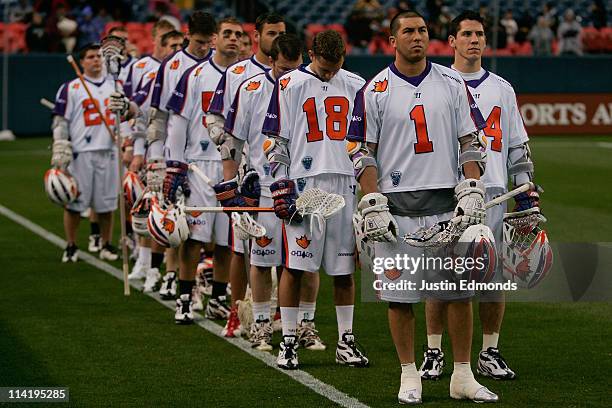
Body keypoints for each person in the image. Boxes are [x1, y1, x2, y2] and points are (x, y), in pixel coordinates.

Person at [347, 11, 497, 404]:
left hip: (447, 205)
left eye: (423, 30)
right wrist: (372, 201)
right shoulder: (375, 88)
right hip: (396, 211)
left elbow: (471, 141)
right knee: (400, 298)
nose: (418, 37)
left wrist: (472, 186)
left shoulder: (451, 83)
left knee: (457, 293)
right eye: (409, 31)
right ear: (392, 40)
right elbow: (363, 152)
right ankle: (408, 374)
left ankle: (462, 375)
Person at [419, 10, 540, 385]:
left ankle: (488, 352)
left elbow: (518, 145)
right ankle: (434, 351)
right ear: (451, 41)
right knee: (441, 278)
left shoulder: (502, 88)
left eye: (479, 34)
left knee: (492, 279)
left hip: (494, 194)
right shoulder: (438, 82)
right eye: (466, 34)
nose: (474, 40)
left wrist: (526, 195)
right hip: (448, 194)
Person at [263, 30, 369, 370]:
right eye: (324, 67)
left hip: (345, 184)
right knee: (296, 265)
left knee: (344, 269)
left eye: (334, 67)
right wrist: (281, 184)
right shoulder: (289, 84)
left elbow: (367, 143)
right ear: (312, 54)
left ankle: (345, 341)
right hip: (305, 184)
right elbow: (276, 140)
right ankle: (290, 341)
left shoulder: (356, 84)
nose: (329, 74)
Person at [215, 34, 326, 351]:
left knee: (307, 261)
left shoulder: (316, 86)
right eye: (282, 70)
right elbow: (232, 143)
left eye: (294, 69)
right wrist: (230, 187)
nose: (288, 76)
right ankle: (261, 326)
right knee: (262, 260)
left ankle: (306, 325)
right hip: (264, 187)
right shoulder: (250, 90)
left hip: (306, 187)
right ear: (271, 62)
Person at [206, 12, 286, 336]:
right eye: (272, 33)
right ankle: (237, 310)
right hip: (247, 173)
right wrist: (225, 145)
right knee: (240, 246)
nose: (278, 39)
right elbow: (214, 117)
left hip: (285, 173)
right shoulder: (237, 73)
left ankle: (279, 312)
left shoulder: (294, 74)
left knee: (285, 246)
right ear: (257, 36)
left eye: (282, 33)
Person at [163, 17, 244, 325]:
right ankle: (184, 299)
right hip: (198, 164)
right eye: (227, 34)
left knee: (227, 241)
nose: (233, 39)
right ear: (215, 40)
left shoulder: (247, 75)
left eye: (238, 34)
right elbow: (179, 123)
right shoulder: (194, 75)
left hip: (234, 167)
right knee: (193, 238)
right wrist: (175, 164)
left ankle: (218, 299)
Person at [145, 11, 217, 303]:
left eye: (207, 42)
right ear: (188, 35)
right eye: (198, 42)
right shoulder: (172, 65)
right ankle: (174, 278)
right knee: (182, 225)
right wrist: (156, 161)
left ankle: (202, 282)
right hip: (182, 158)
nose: (203, 48)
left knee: (213, 232)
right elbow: (159, 117)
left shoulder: (222, 65)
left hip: (215, 157)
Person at [126, 29, 185, 294]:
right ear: (159, 47)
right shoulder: (158, 77)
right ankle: (149, 264)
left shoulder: (190, 73)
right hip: (160, 153)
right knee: (156, 214)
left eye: (177, 44)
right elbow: (139, 113)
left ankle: (169, 273)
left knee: (183, 222)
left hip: (189, 156)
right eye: (170, 44)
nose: (174, 48)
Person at [51, 44, 120, 263]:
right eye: (90, 57)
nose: (96, 60)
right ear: (82, 62)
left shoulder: (115, 85)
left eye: (99, 56)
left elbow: (125, 116)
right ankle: (71, 245)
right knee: (74, 204)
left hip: (108, 151)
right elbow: (61, 121)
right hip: (81, 153)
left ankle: (106, 244)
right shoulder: (71, 88)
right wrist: (60, 146)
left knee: (107, 205)